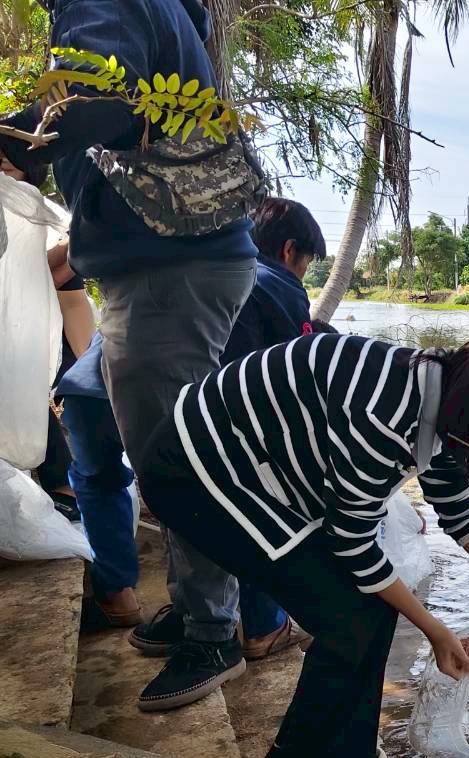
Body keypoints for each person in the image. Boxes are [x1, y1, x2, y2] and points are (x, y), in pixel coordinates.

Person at [136, 325, 469, 758]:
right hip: (196, 469)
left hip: (254, 469)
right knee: (345, 614)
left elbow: (458, 511)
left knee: (372, 607)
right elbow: (353, 541)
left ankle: (347, 757)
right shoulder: (384, 416)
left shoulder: (442, 403)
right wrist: (434, 631)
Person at [1, 0, 260, 710]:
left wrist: (16, 140)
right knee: (163, 451)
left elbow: (96, 103)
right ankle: (196, 605)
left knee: (177, 463)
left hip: (168, 268)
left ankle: (213, 633)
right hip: (177, 262)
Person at [59, 198, 330, 648]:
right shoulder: (275, 284)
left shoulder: (188, 263)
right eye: (306, 264)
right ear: (288, 251)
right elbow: (288, 378)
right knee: (246, 495)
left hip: (91, 388)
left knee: (106, 484)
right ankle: (260, 627)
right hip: (173, 398)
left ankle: (117, 592)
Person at [0, 151, 96, 523]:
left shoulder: (47, 226)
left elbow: (73, 305)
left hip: (38, 348)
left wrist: (92, 371)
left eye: (9, 162)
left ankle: (62, 488)